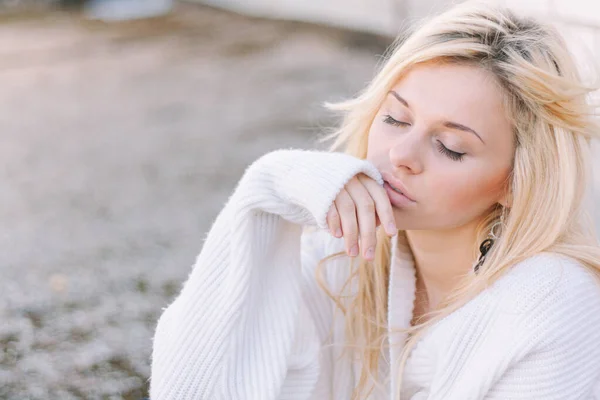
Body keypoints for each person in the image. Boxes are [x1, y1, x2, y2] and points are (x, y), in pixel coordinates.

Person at [149, 1, 600, 399]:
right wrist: (265, 194)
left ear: (516, 180)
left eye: (450, 147)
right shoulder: (345, 257)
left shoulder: (551, 303)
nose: (400, 155)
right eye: (396, 118)